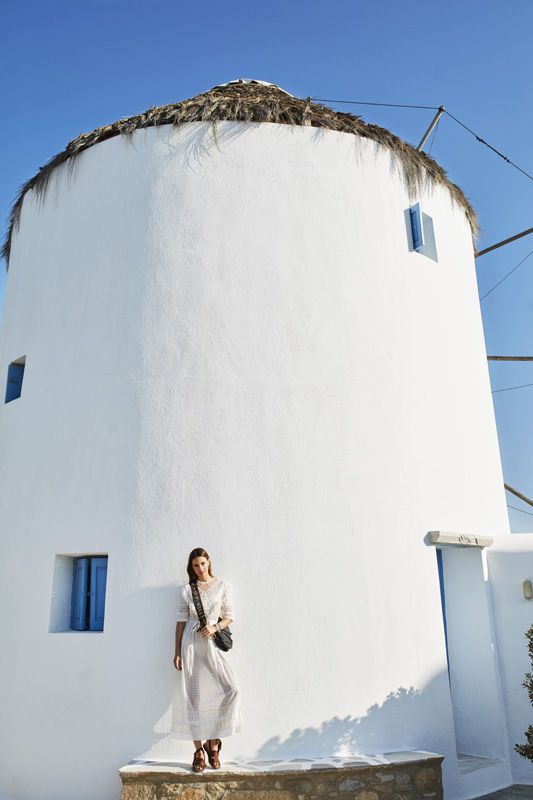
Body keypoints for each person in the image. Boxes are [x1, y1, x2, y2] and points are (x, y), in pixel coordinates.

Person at [171, 547, 242, 772]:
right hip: (190, 643)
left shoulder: (223, 586)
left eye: (203, 563)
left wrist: (214, 626)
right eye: (195, 566)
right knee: (193, 697)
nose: (200, 569)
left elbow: (230, 616)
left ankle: (214, 740)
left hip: (210, 642)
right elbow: (181, 621)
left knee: (232, 689)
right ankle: (199, 751)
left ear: (209, 562)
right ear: (191, 568)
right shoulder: (186, 590)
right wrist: (177, 651)